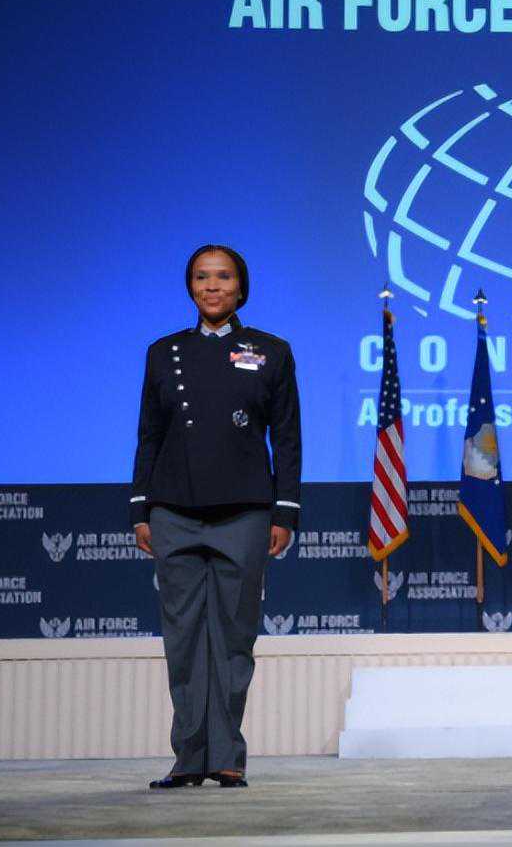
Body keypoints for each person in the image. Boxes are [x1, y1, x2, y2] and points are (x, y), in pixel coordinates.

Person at [130, 244, 301, 790]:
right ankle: (188, 758)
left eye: (223, 277)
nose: (212, 286)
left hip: (244, 512)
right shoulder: (164, 352)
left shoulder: (271, 351)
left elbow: (287, 439)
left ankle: (226, 756)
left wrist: (285, 511)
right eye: (202, 277)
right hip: (173, 510)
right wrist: (141, 509)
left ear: (241, 287)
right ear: (190, 287)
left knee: (233, 638)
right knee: (182, 640)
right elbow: (149, 435)